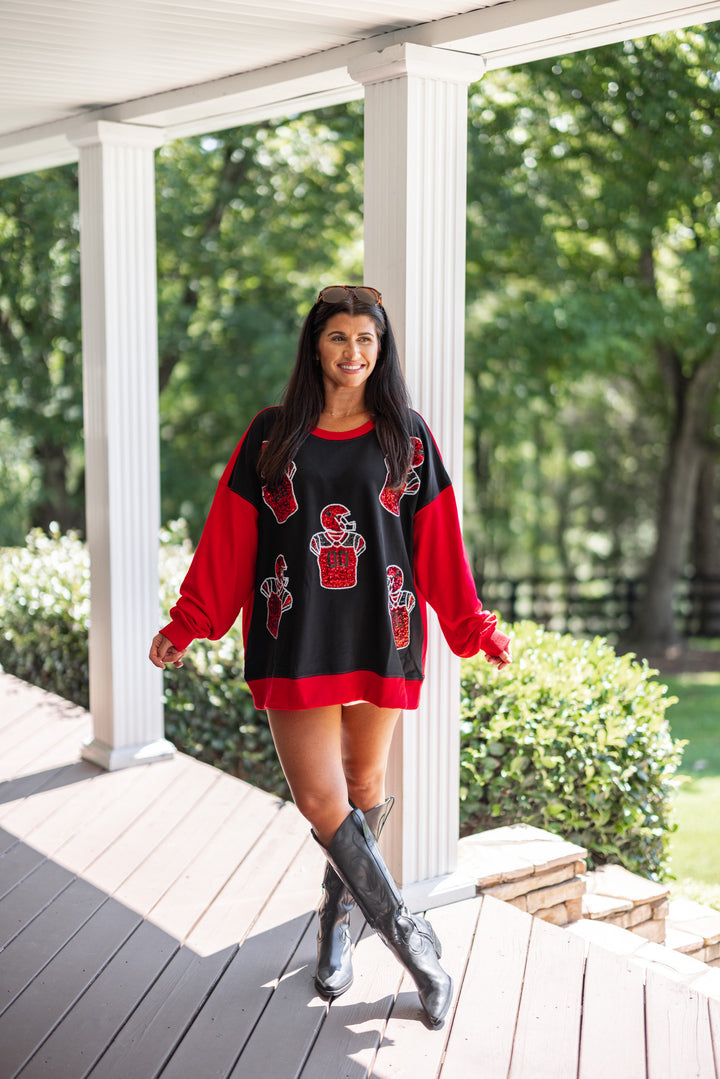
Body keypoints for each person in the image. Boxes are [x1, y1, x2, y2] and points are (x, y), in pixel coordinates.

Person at [149, 285, 512, 1028]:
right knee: (323, 801)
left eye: (367, 341)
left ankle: (336, 922)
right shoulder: (270, 436)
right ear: (316, 344)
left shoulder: (405, 436)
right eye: (339, 337)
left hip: (385, 632)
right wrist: (188, 623)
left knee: (365, 783)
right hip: (296, 633)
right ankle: (417, 947)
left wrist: (472, 626)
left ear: (381, 351)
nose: (353, 352)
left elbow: (438, 544)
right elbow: (229, 540)